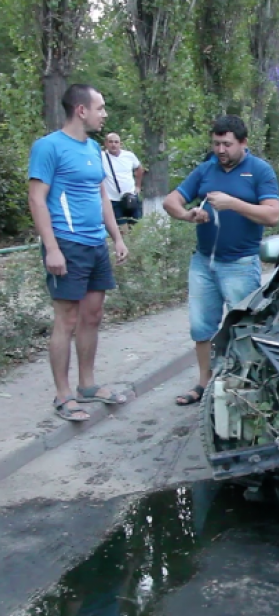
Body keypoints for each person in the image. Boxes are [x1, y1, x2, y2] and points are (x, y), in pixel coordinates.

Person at [27, 84, 130, 422]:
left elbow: (102, 197)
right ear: (81, 110)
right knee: (67, 319)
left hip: (95, 243)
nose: (104, 114)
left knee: (93, 315)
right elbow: (37, 199)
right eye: (99, 107)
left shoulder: (93, 149)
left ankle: (88, 385)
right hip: (67, 244)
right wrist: (52, 249)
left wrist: (116, 237)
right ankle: (63, 395)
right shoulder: (48, 147)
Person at [163, 115, 279, 406]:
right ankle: (203, 384)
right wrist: (187, 214)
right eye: (216, 143)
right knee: (201, 327)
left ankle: (245, 386)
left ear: (243, 142)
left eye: (226, 144)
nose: (220, 150)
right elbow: (170, 201)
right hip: (203, 264)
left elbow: (272, 215)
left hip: (240, 264)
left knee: (243, 329)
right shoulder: (205, 170)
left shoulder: (259, 171)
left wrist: (233, 204)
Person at [101, 132, 144, 233]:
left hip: (131, 197)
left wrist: (138, 186)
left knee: (136, 228)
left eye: (116, 142)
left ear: (121, 144)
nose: (113, 144)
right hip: (113, 199)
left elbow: (139, 169)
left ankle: (135, 247)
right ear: (106, 143)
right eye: (110, 142)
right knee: (122, 230)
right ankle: (125, 247)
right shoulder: (101, 157)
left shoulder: (129, 156)